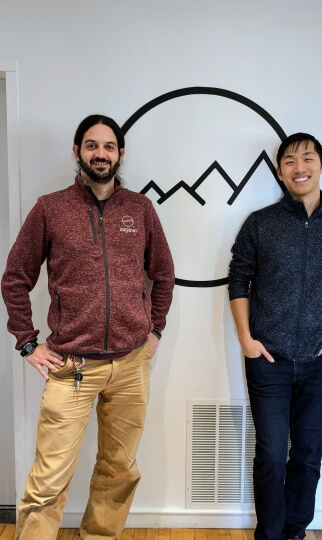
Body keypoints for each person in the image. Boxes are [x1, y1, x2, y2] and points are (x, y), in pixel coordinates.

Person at [1, 114, 175, 540]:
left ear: (120, 153)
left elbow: (164, 274)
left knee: (119, 471)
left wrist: (154, 331)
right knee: (48, 481)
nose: (101, 153)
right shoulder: (50, 208)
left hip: (132, 366)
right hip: (70, 367)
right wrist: (27, 343)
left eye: (109, 146)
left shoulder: (140, 209)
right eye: (92, 145)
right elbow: (15, 277)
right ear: (77, 151)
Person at [228, 133, 322, 540]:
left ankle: (295, 531)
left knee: (307, 454)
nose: (298, 167)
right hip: (268, 361)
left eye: (307, 158)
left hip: (318, 361)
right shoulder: (261, 223)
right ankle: (269, 535)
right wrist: (246, 340)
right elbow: (238, 281)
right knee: (270, 455)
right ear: (279, 171)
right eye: (289, 161)